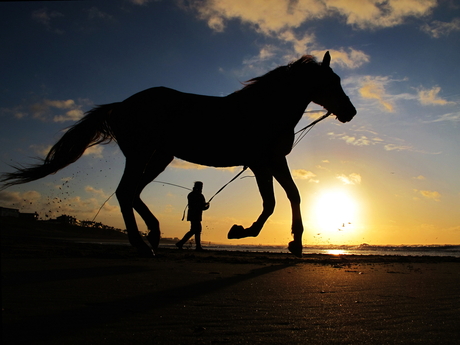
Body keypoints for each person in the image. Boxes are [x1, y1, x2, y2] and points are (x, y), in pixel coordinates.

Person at [176, 181, 210, 251]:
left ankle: (196, 246)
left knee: (196, 230)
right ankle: (182, 243)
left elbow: (201, 207)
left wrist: (206, 206)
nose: (201, 188)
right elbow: (200, 206)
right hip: (195, 215)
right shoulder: (197, 195)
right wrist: (206, 206)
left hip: (194, 215)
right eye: (200, 187)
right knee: (195, 230)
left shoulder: (192, 195)